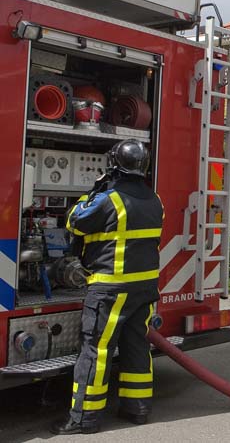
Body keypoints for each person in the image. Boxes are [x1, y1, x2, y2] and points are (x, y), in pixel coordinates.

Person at [52, 139, 163, 435]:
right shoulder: (155, 200)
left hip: (110, 288)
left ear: (115, 164)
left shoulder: (109, 199)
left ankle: (84, 418)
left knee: (96, 350)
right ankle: (137, 408)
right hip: (145, 287)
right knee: (137, 345)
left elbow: (75, 222)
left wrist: (93, 191)